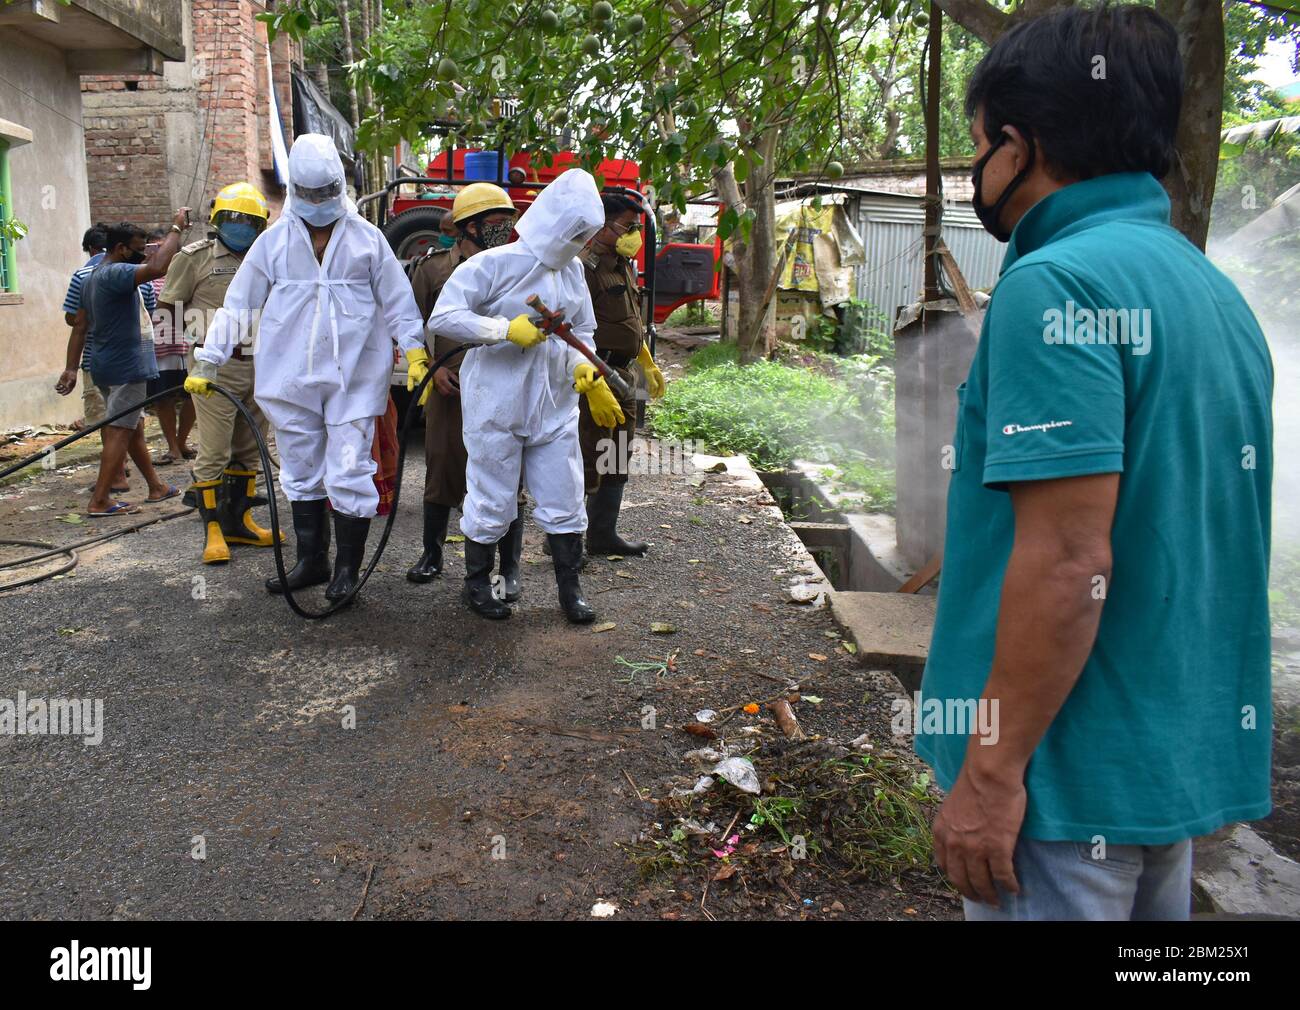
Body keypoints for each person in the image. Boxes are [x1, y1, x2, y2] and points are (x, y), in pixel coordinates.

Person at [917, 4, 1273, 921]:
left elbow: (1073, 561)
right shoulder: (1210, 291)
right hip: (1160, 773)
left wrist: (990, 776)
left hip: (1057, 793)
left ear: (1016, 144)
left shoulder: (1057, 283)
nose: (974, 171)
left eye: (977, 145)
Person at [186, 135, 427, 604]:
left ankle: (346, 570)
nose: (318, 204)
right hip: (289, 374)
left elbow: (399, 301)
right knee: (299, 468)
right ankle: (312, 560)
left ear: (339, 187)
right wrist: (209, 360)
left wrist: (414, 349)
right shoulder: (273, 242)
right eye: (310, 195)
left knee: (349, 468)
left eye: (325, 194)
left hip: (354, 376)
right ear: (296, 189)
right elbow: (238, 306)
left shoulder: (368, 240)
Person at [428, 168, 623, 623]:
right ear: (552, 221)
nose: (579, 242)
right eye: (574, 232)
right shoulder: (492, 264)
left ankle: (569, 592)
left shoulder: (573, 271)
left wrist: (583, 366)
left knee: (565, 495)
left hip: (554, 404)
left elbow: (585, 330)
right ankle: (478, 585)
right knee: (492, 497)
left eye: (585, 235)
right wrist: (501, 329)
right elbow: (445, 317)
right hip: (496, 401)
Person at [406, 183, 524, 596]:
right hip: (451, 384)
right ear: (468, 226)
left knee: (507, 474)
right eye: (495, 222)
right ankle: (432, 554)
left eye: (507, 222)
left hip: (504, 385)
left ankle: (508, 568)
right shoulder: (434, 268)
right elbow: (410, 323)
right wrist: (427, 368)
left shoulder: (517, 265)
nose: (503, 229)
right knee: (442, 467)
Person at [160, 181, 277, 565]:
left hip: (259, 364)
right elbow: (168, 311)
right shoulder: (194, 258)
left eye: (249, 220)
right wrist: (201, 341)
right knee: (214, 451)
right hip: (215, 369)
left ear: (261, 225)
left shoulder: (268, 257)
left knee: (249, 449)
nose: (241, 225)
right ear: (217, 219)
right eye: (233, 218)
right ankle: (212, 530)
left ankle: (239, 522)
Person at [56, 216, 189, 516]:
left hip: (104, 364)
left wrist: (72, 368)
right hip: (127, 366)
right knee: (119, 429)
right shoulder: (115, 274)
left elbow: (79, 325)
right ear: (119, 248)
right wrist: (176, 229)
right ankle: (100, 500)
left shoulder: (91, 277)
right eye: (138, 249)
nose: (142, 254)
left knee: (132, 428)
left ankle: (156, 486)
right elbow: (158, 268)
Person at [578, 190, 667, 555]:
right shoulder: (583, 267)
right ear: (601, 226)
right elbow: (570, 327)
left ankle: (602, 535)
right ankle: (566, 540)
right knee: (587, 458)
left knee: (615, 455)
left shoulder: (621, 265)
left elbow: (626, 318)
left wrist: (644, 357)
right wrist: (588, 378)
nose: (634, 235)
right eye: (627, 226)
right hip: (594, 374)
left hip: (623, 374)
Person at [144, 230, 196, 467]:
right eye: (153, 247)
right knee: (163, 398)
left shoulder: (188, 272)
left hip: (187, 345)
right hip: (159, 349)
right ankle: (172, 446)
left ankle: (182, 441)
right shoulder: (145, 279)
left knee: (192, 396)